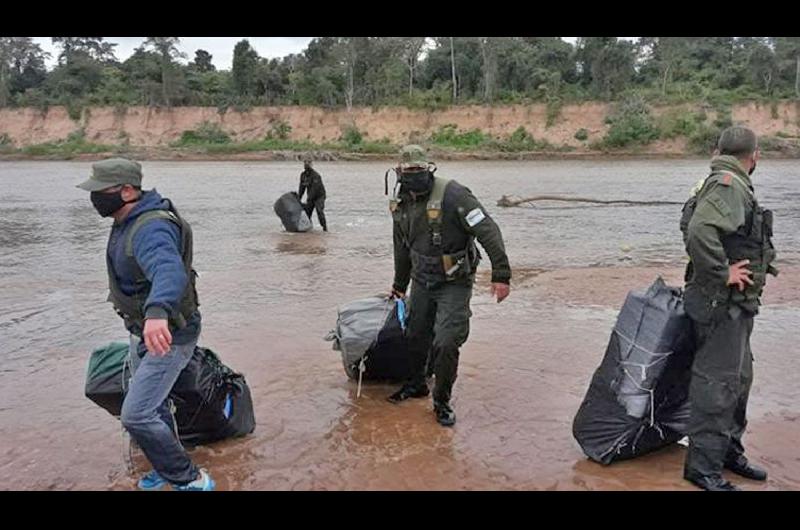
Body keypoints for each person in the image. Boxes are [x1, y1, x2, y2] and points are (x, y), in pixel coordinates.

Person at [77, 158, 215, 491]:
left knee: (136, 414)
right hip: (143, 331)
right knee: (153, 405)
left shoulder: (150, 228)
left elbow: (168, 270)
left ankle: (191, 479)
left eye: (100, 191)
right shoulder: (127, 218)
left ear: (127, 191)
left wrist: (157, 314)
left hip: (169, 333)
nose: (94, 197)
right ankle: (165, 468)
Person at [680, 126, 778, 491]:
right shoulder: (728, 184)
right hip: (720, 304)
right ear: (755, 156)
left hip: (734, 306)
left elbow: (694, 226)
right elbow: (699, 231)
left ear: (719, 148)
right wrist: (723, 272)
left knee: (739, 380)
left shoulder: (725, 181)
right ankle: (703, 468)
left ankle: (727, 453)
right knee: (717, 385)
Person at [386, 145, 511, 426]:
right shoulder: (400, 203)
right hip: (421, 280)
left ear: (429, 168)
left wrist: (501, 274)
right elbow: (401, 247)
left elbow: (487, 230)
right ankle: (417, 383)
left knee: (445, 342)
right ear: (398, 172)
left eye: (419, 170)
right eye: (408, 171)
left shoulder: (454, 195)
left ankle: (441, 401)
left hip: (454, 282)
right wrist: (398, 284)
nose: (414, 175)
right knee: (415, 335)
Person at [298, 157, 328, 232]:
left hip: (319, 196)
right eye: (305, 162)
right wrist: (298, 199)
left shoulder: (316, 175)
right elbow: (302, 188)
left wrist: (308, 199)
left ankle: (325, 228)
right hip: (310, 197)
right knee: (307, 213)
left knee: (319, 210)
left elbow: (315, 189)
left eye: (308, 162)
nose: (306, 164)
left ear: (311, 164)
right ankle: (308, 229)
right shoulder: (303, 175)